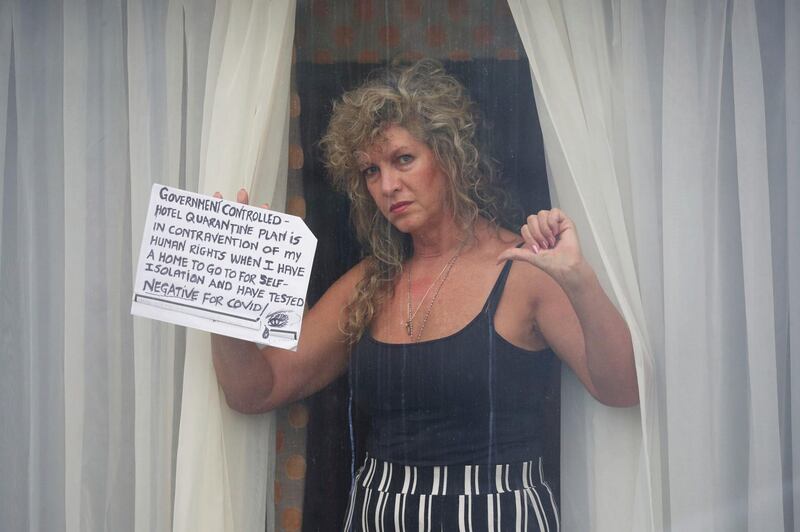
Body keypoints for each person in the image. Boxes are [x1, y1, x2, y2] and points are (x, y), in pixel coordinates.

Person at [211, 59, 638, 531]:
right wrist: (224, 289)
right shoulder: (370, 283)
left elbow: (622, 389)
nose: (388, 185)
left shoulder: (524, 269)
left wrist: (579, 279)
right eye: (371, 171)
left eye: (403, 159)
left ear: (451, 157)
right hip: (381, 516)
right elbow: (257, 390)